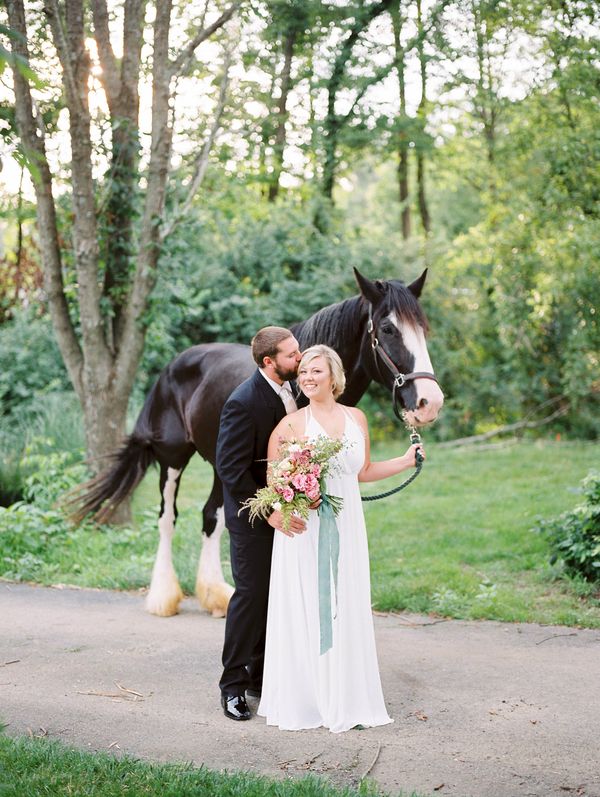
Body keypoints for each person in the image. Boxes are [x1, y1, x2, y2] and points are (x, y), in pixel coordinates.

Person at [257, 344, 425, 733]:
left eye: (316, 371)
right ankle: (308, 698)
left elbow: (361, 470)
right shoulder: (291, 425)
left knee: (344, 603)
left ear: (333, 376)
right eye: (304, 373)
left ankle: (346, 695)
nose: (308, 378)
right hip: (305, 531)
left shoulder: (356, 418)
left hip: (347, 528)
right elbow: (273, 481)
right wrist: (280, 514)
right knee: (309, 608)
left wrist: (403, 460)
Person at [216, 326, 306, 721]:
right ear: (269, 362)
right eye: (291, 354)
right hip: (251, 516)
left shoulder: (297, 391)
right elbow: (231, 471)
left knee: (280, 596)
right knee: (251, 597)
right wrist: (269, 510)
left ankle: (261, 676)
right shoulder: (243, 402)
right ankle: (232, 686)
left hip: (288, 511)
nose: (299, 358)